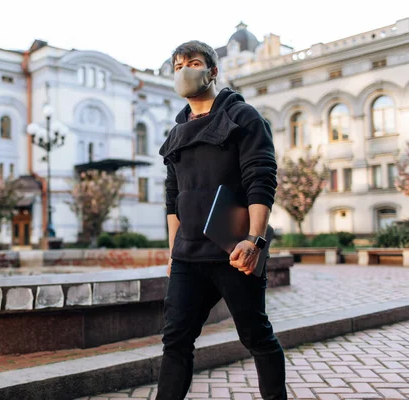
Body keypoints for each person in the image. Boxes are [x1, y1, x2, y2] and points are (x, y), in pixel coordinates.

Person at [156, 40, 286, 400]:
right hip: (188, 255)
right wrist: (172, 251)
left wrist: (256, 241)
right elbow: (173, 197)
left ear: (212, 71)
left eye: (193, 63)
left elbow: (260, 178)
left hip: (235, 251)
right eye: (178, 65)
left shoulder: (242, 117)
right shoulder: (176, 133)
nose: (185, 71)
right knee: (175, 342)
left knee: (255, 335)